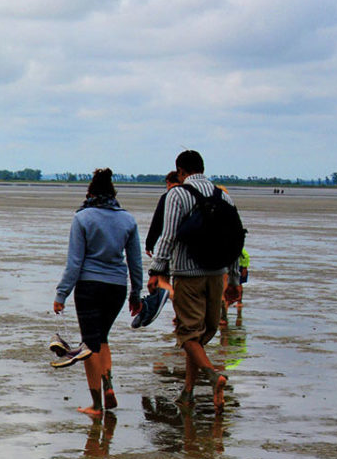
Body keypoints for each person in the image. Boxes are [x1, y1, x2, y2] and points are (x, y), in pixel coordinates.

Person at [148, 150, 242, 412]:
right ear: (202, 168)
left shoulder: (177, 194)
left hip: (188, 275)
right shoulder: (223, 195)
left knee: (188, 334)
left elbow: (168, 237)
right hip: (216, 274)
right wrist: (233, 279)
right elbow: (236, 239)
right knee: (201, 335)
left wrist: (156, 270)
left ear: (180, 171)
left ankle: (213, 376)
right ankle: (187, 392)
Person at [53, 168, 143, 417]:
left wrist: (61, 294)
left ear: (90, 192)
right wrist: (136, 294)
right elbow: (135, 262)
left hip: (89, 285)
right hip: (117, 287)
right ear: (113, 193)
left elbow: (74, 263)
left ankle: (96, 404)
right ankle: (109, 386)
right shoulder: (128, 220)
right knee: (102, 339)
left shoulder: (83, 218)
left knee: (89, 344)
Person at [144, 171, 182, 256]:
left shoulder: (167, 197)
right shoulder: (189, 195)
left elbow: (157, 222)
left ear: (168, 182)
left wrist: (149, 245)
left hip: (171, 244)